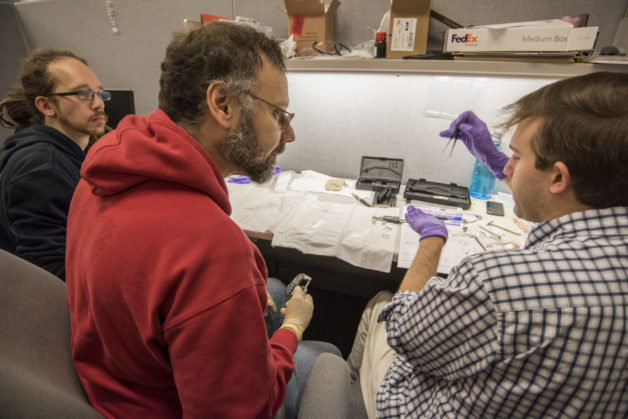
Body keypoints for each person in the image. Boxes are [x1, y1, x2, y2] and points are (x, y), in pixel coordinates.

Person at [65, 21, 340, 419]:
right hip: (165, 405)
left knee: (273, 292)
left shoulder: (101, 175)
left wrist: (223, 294)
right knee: (328, 354)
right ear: (223, 104)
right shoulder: (208, 247)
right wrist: (292, 331)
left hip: (116, 380)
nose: (289, 134)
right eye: (279, 115)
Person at [348, 71, 628, 418]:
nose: (507, 166)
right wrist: (495, 161)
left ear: (558, 176)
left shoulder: (495, 281)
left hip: (420, 404)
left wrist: (432, 240)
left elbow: (405, 333)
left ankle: (348, 399)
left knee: (382, 305)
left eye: (517, 157)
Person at [0, 48, 108, 280]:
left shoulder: (65, 155)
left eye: (100, 93)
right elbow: (50, 271)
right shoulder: (42, 168)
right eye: (83, 94)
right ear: (46, 106)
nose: (98, 104)